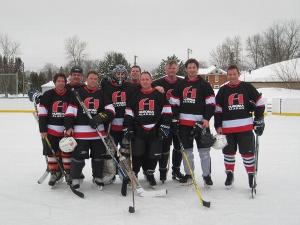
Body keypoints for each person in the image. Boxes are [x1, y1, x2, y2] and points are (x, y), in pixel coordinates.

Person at [214, 65, 265, 188]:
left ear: (238, 74)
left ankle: (251, 175)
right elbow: (218, 109)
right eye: (229, 74)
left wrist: (258, 118)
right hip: (227, 129)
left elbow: (259, 102)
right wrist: (218, 125)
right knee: (228, 153)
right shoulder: (223, 90)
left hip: (245, 128)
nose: (232, 76)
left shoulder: (247, 87)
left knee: (247, 153)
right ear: (227, 75)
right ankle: (229, 174)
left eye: (234, 74)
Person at [64, 71, 115, 189]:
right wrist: (69, 126)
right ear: (87, 79)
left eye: (95, 79)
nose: (93, 80)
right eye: (91, 78)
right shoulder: (78, 93)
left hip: (98, 134)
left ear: (97, 80)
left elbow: (111, 111)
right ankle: (75, 177)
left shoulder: (102, 93)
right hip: (80, 134)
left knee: (98, 157)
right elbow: (70, 112)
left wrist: (99, 118)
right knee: (78, 157)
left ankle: (97, 177)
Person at [169, 58, 215, 186]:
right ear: (186, 69)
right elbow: (174, 102)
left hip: (201, 125)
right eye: (189, 67)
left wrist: (206, 119)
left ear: (197, 68)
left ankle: (207, 176)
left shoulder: (205, 85)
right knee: (187, 152)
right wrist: (175, 117)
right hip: (184, 125)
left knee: (204, 152)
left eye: (194, 67)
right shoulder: (181, 85)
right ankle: (189, 175)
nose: (192, 69)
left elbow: (211, 104)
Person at [123, 71, 172, 187]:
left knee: (153, 154)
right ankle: (134, 175)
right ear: (140, 81)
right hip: (139, 129)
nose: (145, 81)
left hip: (155, 129)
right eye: (143, 79)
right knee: (137, 154)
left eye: (147, 79)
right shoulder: (135, 95)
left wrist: (164, 127)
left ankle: (150, 174)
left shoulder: (159, 94)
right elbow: (129, 113)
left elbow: (167, 112)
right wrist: (128, 128)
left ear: (151, 80)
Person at [152, 60, 184, 183]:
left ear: (177, 69)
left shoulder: (182, 82)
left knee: (178, 147)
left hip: (179, 120)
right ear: (165, 69)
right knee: (164, 147)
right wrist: (154, 87)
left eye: (174, 68)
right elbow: (142, 87)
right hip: (163, 120)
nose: (171, 70)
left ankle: (176, 170)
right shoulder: (158, 82)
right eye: (169, 68)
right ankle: (162, 172)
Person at [37, 73, 70, 186]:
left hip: (66, 130)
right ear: (55, 82)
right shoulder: (48, 94)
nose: (61, 83)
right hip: (51, 130)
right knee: (52, 153)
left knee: (66, 152)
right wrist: (43, 129)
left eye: (63, 81)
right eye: (59, 81)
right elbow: (42, 114)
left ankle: (68, 173)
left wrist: (70, 127)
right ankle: (54, 173)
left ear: (65, 83)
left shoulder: (70, 94)